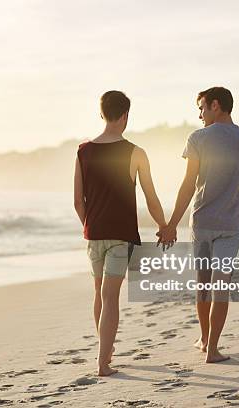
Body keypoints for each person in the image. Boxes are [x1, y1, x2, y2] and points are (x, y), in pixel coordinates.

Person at [157, 86, 239, 363]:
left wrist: (171, 225)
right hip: (231, 226)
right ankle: (212, 348)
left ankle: (205, 340)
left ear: (215, 105)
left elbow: (188, 185)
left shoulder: (198, 138)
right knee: (221, 286)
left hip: (202, 222)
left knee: (203, 285)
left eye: (202, 108)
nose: (200, 115)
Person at [74, 90, 167, 376]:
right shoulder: (135, 153)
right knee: (111, 295)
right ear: (125, 115)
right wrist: (164, 226)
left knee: (99, 294)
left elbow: (79, 201)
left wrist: (89, 227)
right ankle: (103, 362)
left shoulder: (83, 150)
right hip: (121, 235)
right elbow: (151, 197)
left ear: (101, 113)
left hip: (94, 234)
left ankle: (106, 349)